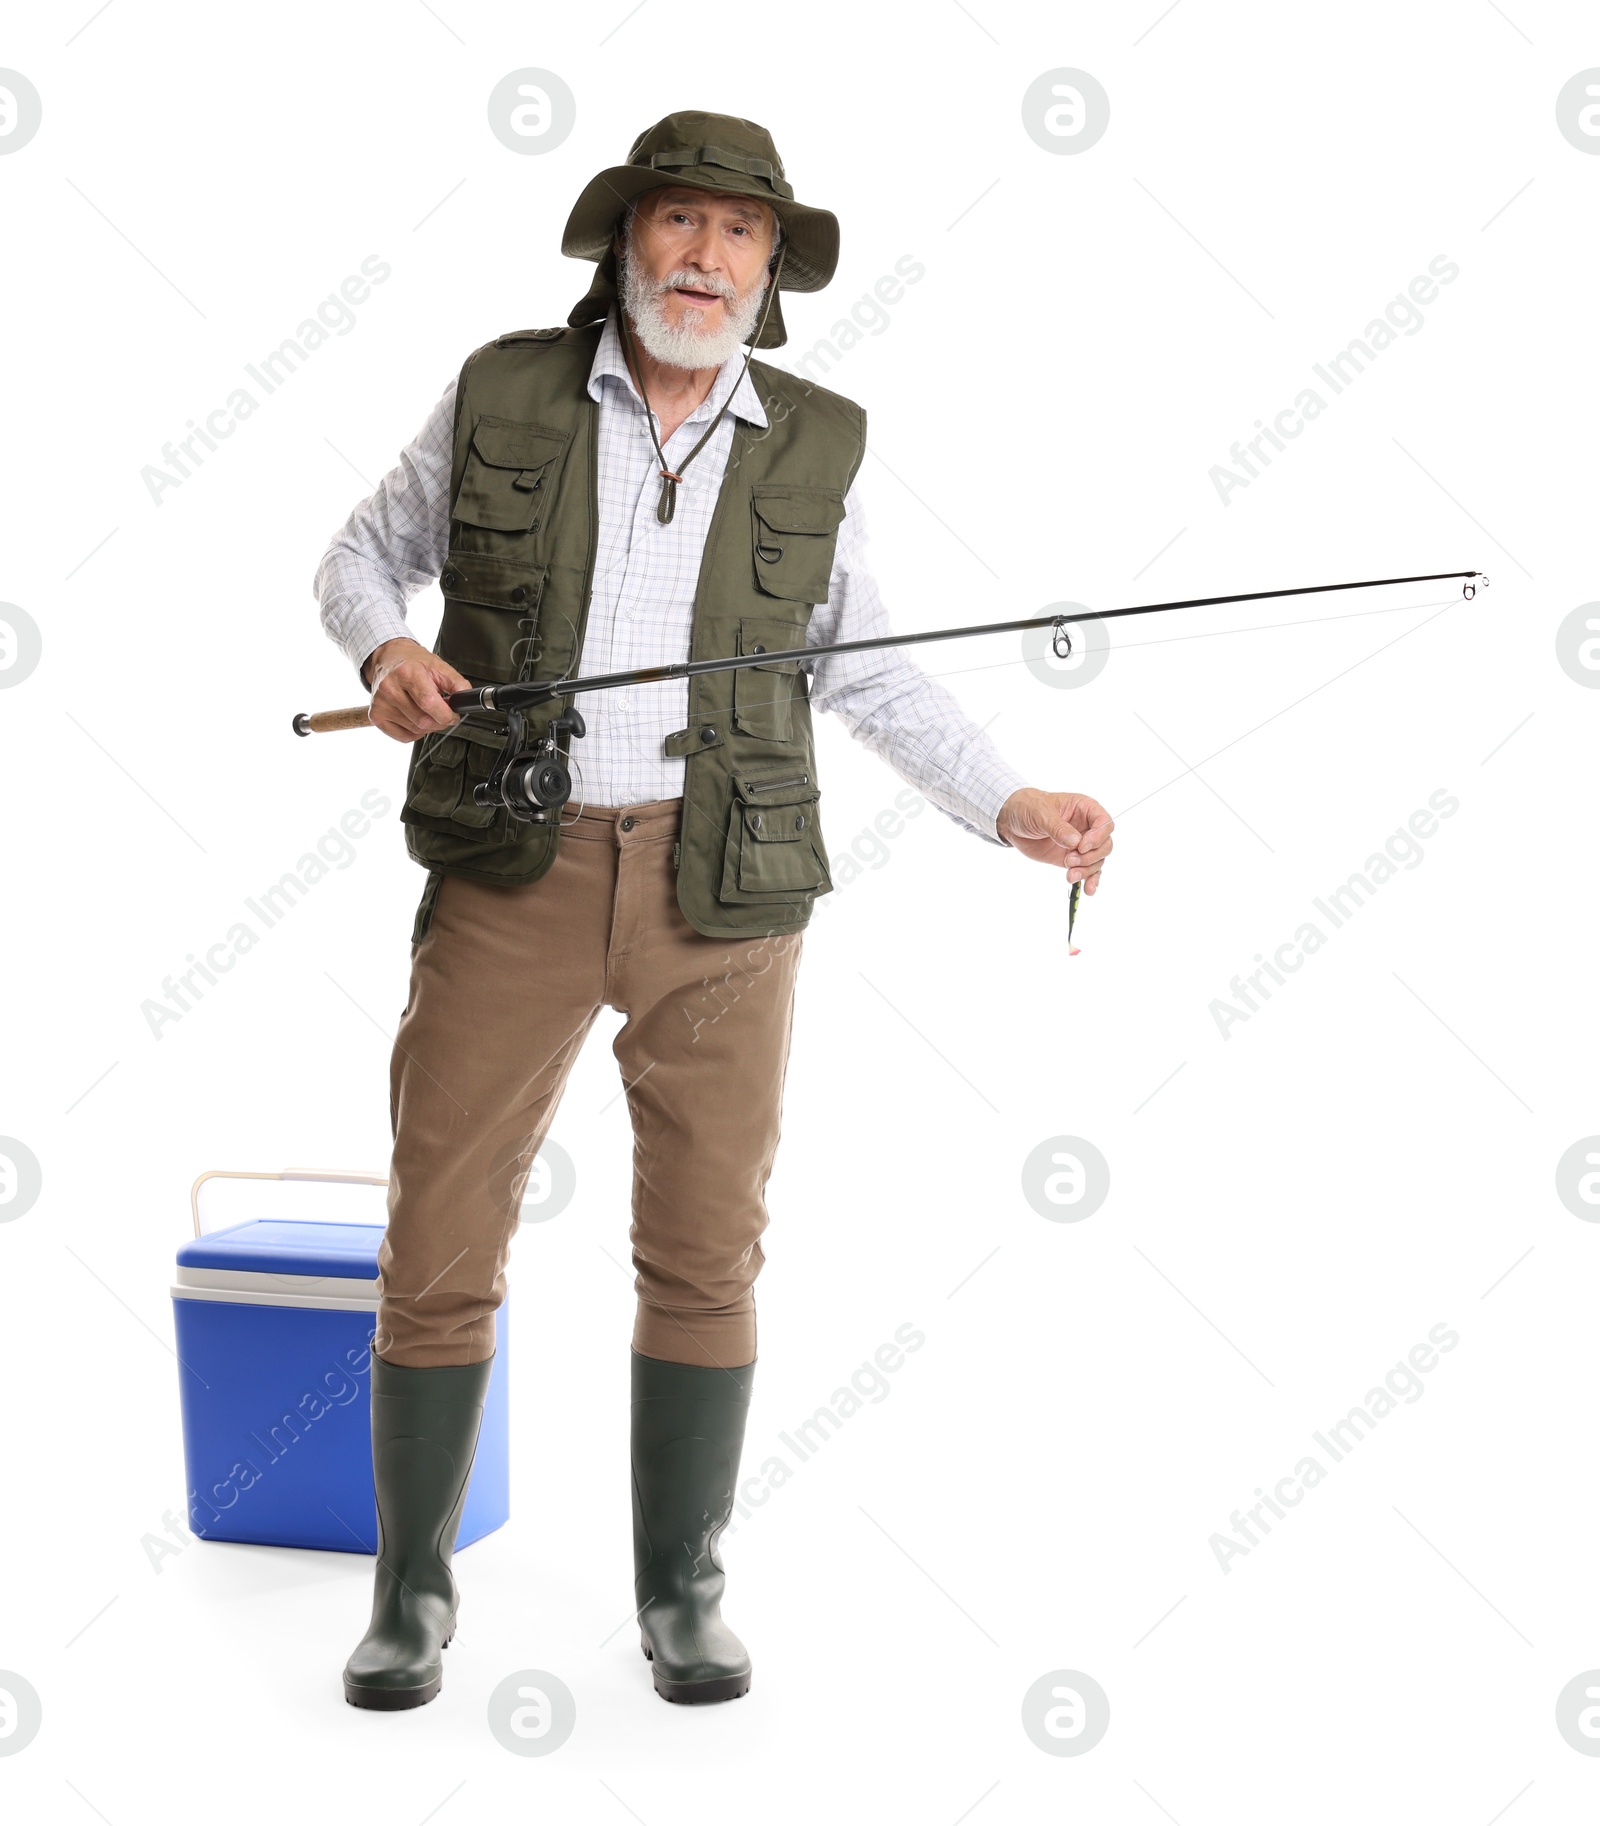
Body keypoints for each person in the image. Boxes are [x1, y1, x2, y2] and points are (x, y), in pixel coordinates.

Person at [314, 108, 1113, 1711]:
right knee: (439, 1234)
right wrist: (384, 653)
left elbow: (861, 663)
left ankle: (683, 1591)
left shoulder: (813, 439)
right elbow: (358, 560)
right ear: (627, 241)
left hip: (725, 891)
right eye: (679, 222)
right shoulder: (502, 389)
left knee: (705, 1249)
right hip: (510, 872)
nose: (705, 257)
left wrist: (1004, 802)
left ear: (770, 268)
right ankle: (410, 1590)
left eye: (740, 233)